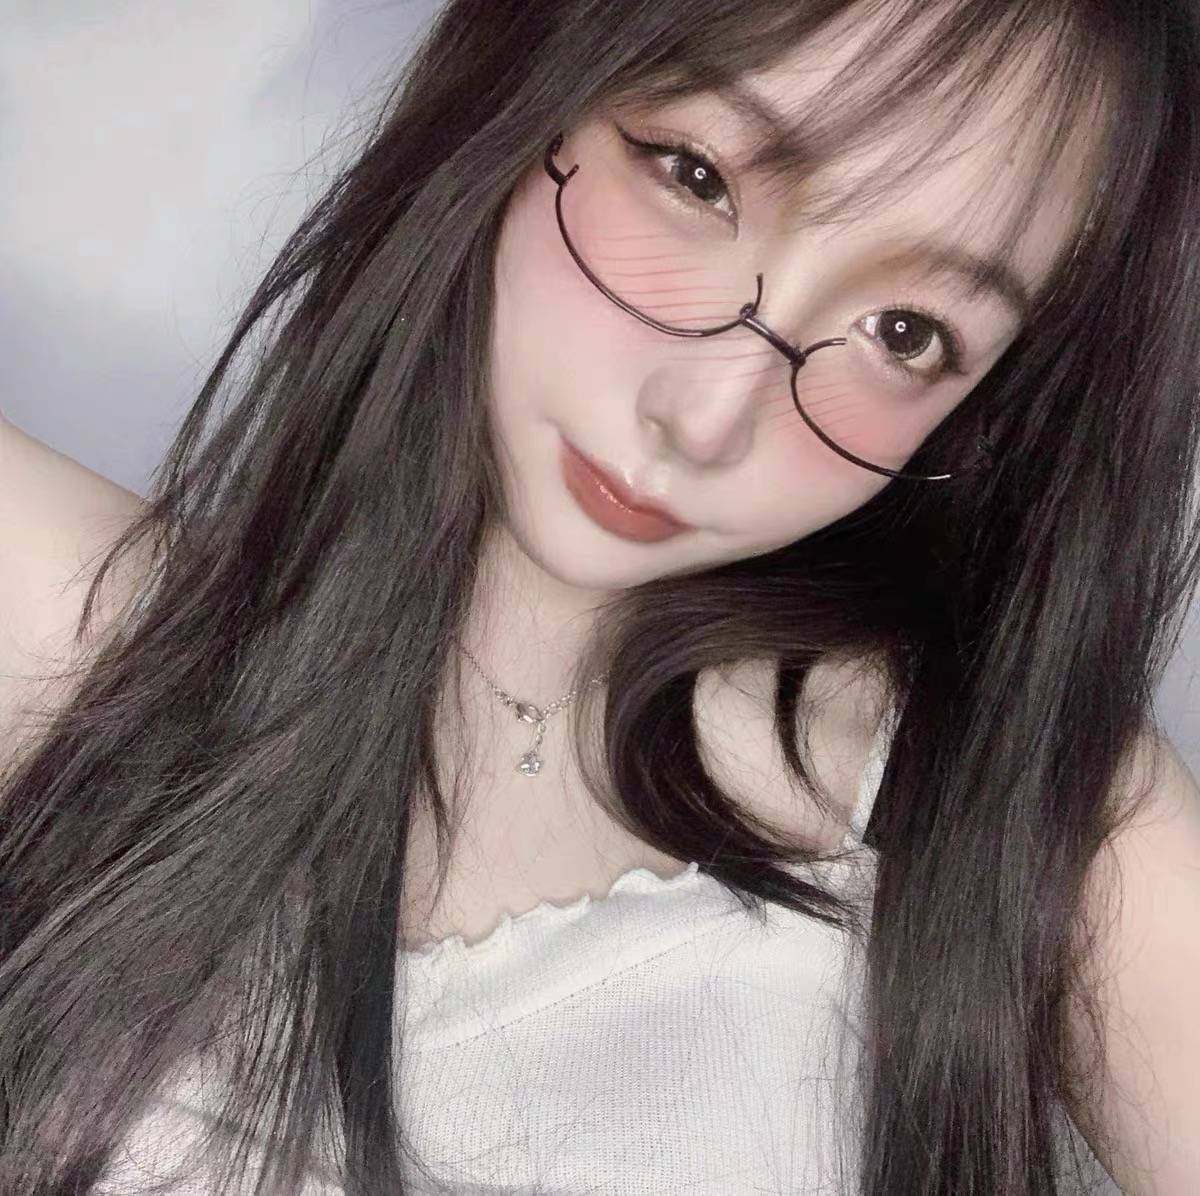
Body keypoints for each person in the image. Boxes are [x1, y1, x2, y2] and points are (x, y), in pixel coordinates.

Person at [1, 0, 1198, 1191]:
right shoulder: (72, 620)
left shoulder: (1031, 808)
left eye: (905, 331)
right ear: (536, 86)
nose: (708, 416)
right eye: (696, 177)